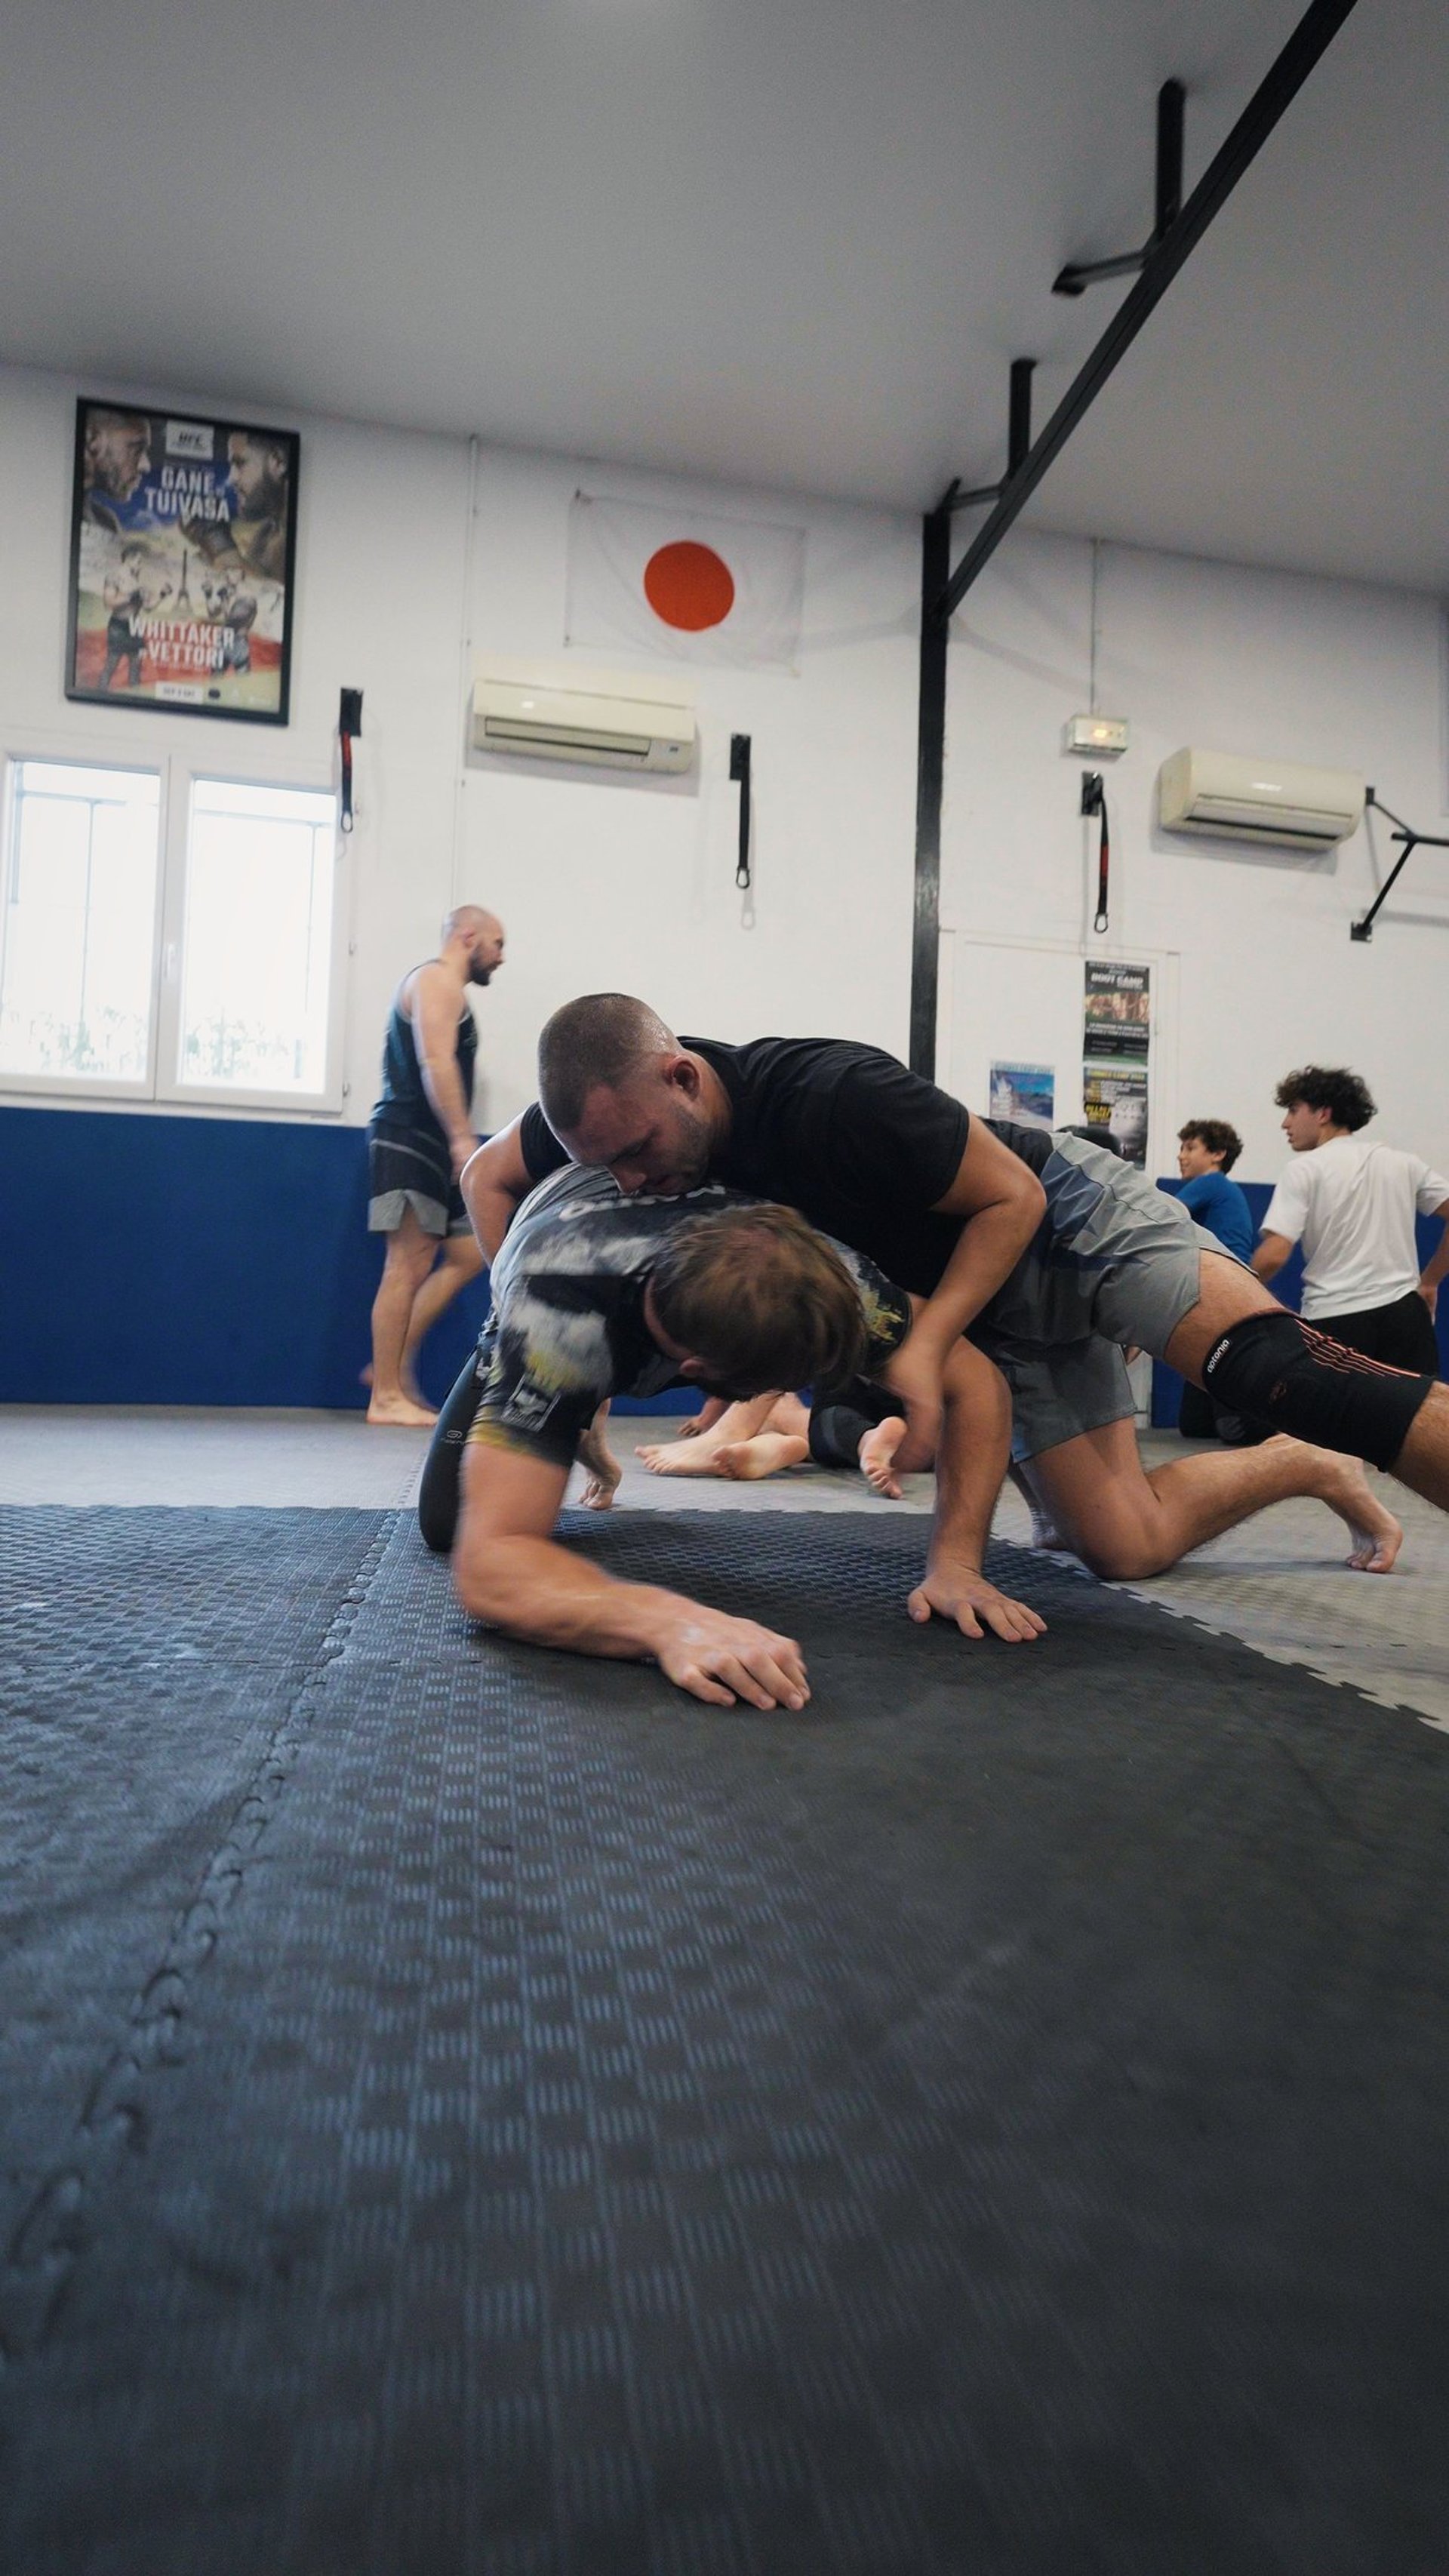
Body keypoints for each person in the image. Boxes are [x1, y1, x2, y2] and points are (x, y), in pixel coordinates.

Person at [457, 996, 1449, 1574]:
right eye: (606, 1163)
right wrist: (538, 1352)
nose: (629, 1181)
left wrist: (930, 1346)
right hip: (992, 1319)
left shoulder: (831, 1093)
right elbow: (486, 1177)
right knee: (1119, 1547)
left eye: (636, 1154)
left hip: (1067, 1216)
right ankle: (1311, 1463)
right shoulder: (603, 1114)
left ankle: (1324, 1423)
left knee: (1278, 1367)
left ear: (680, 1077)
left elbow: (1010, 1197)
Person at [426, 1162, 1411, 1712]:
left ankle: (1298, 1456)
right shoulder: (554, 1321)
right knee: (448, 1523)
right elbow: (492, 1566)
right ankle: (546, 1420)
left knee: (1122, 1547)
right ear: (683, 1368)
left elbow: (973, 1377)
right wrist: (666, 1621)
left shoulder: (827, 1271)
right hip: (551, 1240)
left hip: (1035, 1236)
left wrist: (955, 1560)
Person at [365, 907, 506, 1426]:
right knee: (406, 1262)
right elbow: (435, 1061)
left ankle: (393, 1370)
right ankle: (384, 1396)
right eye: (496, 942)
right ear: (467, 936)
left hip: (430, 1139)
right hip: (409, 1136)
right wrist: (462, 1139)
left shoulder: (449, 989)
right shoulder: (435, 981)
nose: (501, 955)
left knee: (469, 1254)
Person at [1253, 1067, 1449, 1373]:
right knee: (1416, 1419)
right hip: (1406, 1317)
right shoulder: (1403, 1163)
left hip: (1336, 1321)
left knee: (1315, 1421)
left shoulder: (1304, 1169)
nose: (1285, 1123)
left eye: (1293, 1110)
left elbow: (1276, 1252)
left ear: (1323, 1114)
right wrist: (1431, 1282)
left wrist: (1238, 1294)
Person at [1172, 1119, 1260, 1442]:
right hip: (1230, 1287)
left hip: (1224, 1290)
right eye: (1181, 1148)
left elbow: (1162, 1215)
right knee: (1194, 1426)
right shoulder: (1221, 1189)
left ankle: (1262, 1421)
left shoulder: (1211, 1182)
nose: (1181, 1156)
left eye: (1190, 1148)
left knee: (1232, 1429)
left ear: (1218, 1154)